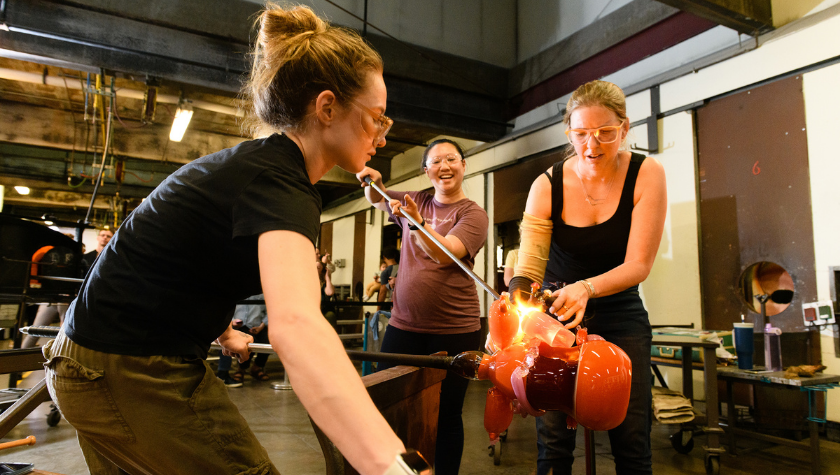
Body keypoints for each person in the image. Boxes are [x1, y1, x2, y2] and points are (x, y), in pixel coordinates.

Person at [43, 5, 413, 474]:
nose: (382, 136)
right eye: (376, 118)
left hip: (95, 355)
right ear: (327, 107)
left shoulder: (262, 168)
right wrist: (392, 464)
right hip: (123, 364)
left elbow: (189, 259)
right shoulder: (280, 183)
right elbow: (297, 326)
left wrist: (223, 330)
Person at [508, 80, 667, 475]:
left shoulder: (646, 173)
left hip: (620, 311)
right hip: (558, 315)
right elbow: (530, 265)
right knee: (554, 441)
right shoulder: (547, 184)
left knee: (632, 437)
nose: (592, 145)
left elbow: (639, 265)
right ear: (569, 133)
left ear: (624, 128)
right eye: (580, 134)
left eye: (605, 132)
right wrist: (518, 296)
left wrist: (587, 288)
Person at [357, 138, 489, 475]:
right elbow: (377, 199)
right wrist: (373, 182)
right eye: (436, 161)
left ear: (463, 166)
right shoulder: (416, 199)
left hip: (455, 329)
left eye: (452, 159)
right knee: (388, 403)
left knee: (446, 413)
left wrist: (417, 224)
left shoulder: (472, 213)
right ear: (426, 170)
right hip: (404, 325)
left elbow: (444, 254)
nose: (445, 166)